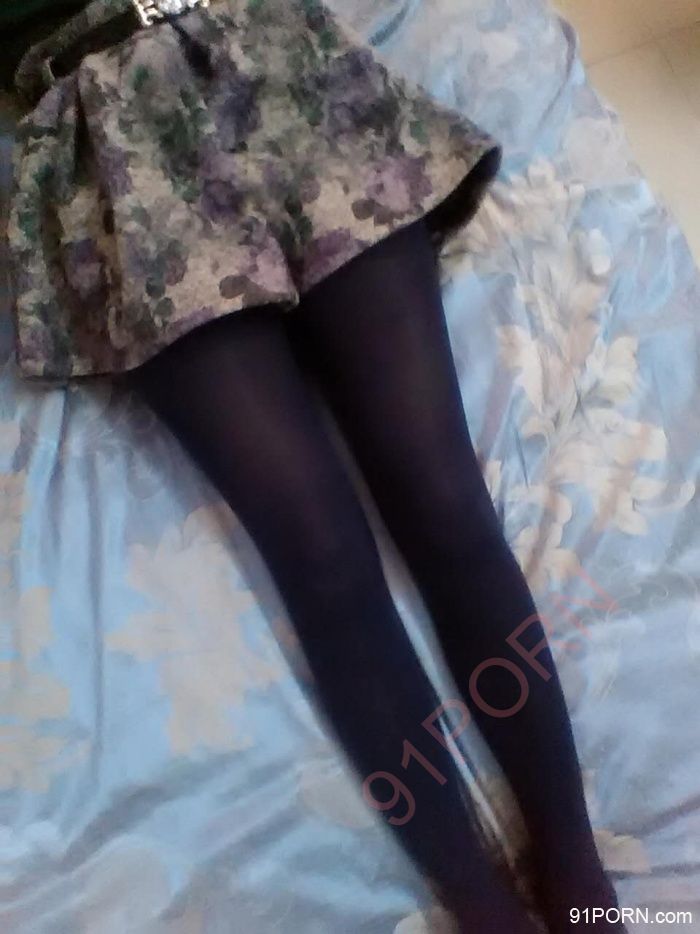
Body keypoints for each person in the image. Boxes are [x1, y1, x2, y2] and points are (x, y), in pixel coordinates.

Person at [5, 1, 627, 931]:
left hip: (273, 55)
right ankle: (484, 910)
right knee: (321, 555)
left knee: (443, 497)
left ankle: (580, 884)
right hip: (109, 143)